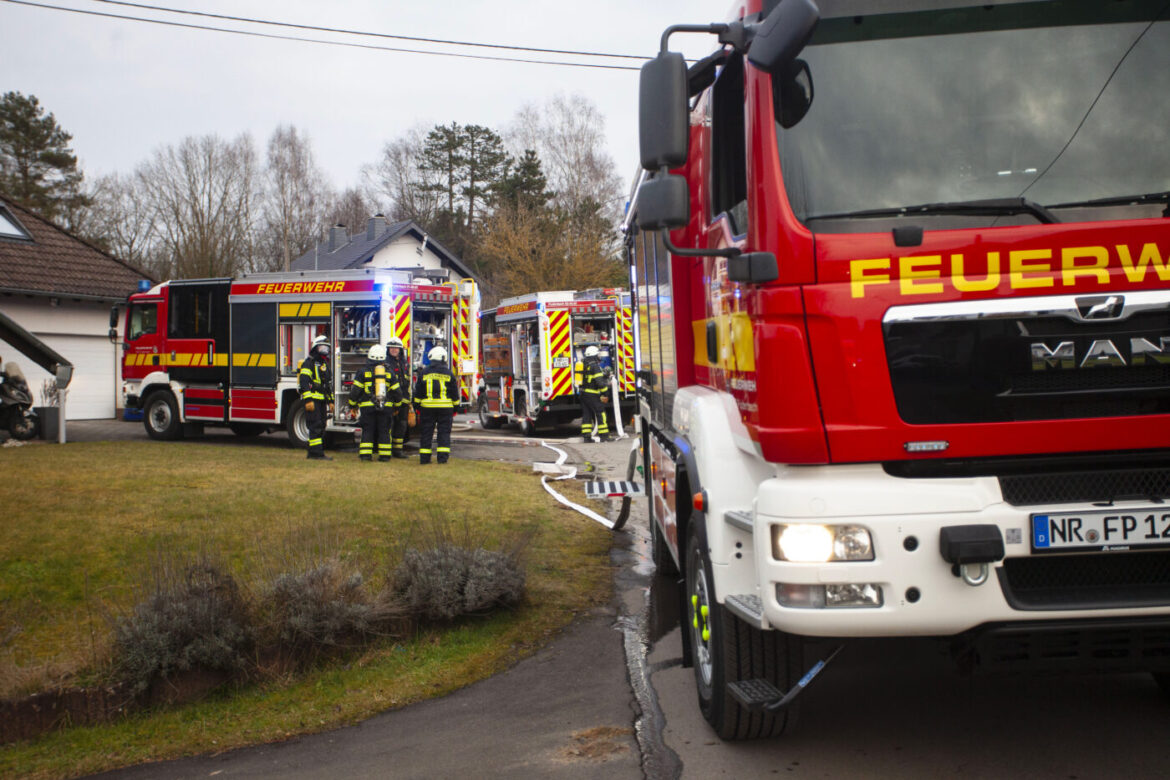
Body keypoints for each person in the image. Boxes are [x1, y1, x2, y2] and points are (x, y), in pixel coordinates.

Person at [348, 343, 401, 461]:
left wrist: (352, 405)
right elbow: (398, 393)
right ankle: (385, 456)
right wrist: (397, 407)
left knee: (367, 431)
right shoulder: (389, 372)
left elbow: (355, 391)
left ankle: (366, 455)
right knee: (384, 431)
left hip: (367, 407)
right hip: (385, 407)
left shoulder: (362, 372)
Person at [414, 345, 456, 464]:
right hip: (445, 409)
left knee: (426, 433)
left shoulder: (424, 373)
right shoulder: (449, 374)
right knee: (444, 433)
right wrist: (456, 407)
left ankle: (424, 459)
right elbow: (454, 393)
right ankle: (442, 459)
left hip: (427, 409)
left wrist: (417, 406)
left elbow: (418, 392)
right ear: (444, 358)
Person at [298, 335, 334, 460]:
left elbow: (327, 385)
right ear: (316, 348)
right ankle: (316, 453)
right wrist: (308, 400)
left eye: (327, 347)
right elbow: (303, 382)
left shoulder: (325, 365)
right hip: (312, 400)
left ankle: (313, 452)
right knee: (315, 425)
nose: (325, 350)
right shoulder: (309, 363)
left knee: (321, 425)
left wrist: (331, 401)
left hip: (321, 400)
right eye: (322, 347)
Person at [384, 337, 411, 458]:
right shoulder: (385, 363)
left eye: (396, 348)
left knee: (402, 425)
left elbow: (407, 381)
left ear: (400, 350)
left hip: (404, 399)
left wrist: (409, 400)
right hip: (391, 399)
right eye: (391, 348)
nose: (394, 350)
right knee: (389, 425)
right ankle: (386, 449)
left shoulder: (404, 363)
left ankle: (398, 450)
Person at [578, 345, 610, 442]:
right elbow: (599, 382)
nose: (599, 356)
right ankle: (604, 436)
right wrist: (606, 392)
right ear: (594, 355)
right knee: (601, 413)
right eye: (597, 354)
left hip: (583, 394)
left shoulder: (584, 364)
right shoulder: (595, 366)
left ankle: (587, 437)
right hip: (592, 394)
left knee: (587, 414)